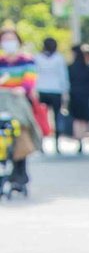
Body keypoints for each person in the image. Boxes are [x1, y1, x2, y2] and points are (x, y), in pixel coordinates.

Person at [0, 21, 42, 190]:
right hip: (1, 102)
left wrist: (21, 89)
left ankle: (19, 174)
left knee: (20, 132)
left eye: (11, 39)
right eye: (5, 39)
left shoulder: (27, 60)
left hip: (18, 103)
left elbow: (29, 81)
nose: (8, 42)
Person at [34, 36, 69, 153]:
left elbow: (34, 74)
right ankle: (56, 144)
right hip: (55, 91)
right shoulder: (59, 58)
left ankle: (42, 144)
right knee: (56, 117)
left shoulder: (38, 58)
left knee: (41, 118)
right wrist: (65, 91)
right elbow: (63, 76)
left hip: (42, 90)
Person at [68, 44, 89, 154]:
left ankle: (79, 138)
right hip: (85, 96)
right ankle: (81, 138)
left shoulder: (71, 68)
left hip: (76, 96)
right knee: (83, 119)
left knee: (77, 119)